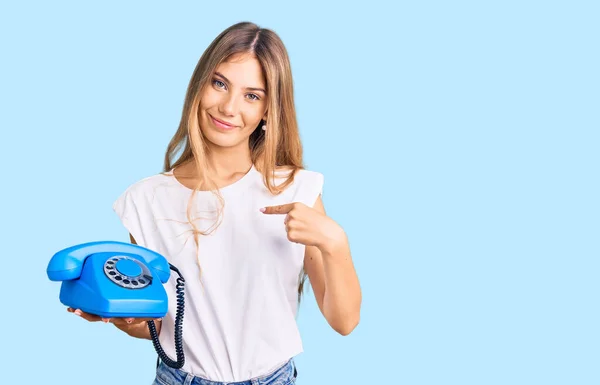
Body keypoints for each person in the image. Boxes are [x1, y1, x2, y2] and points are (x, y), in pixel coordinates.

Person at [67, 21, 362, 385]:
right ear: (200, 84)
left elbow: (344, 321)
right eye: (219, 84)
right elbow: (160, 327)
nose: (228, 107)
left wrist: (335, 242)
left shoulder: (295, 189)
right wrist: (124, 318)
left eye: (252, 95)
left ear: (269, 110)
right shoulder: (146, 200)